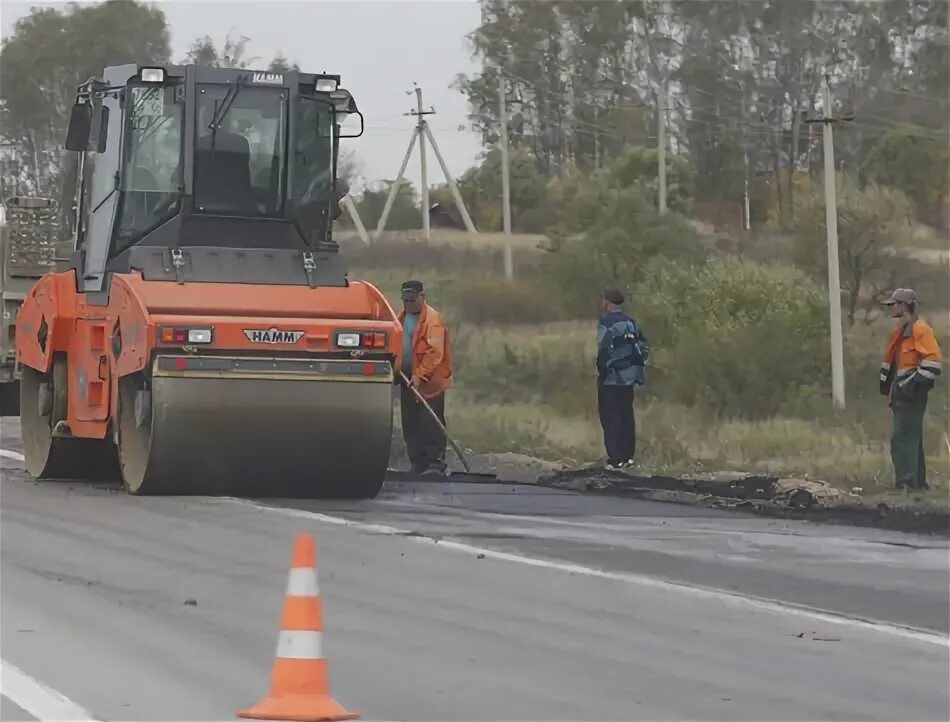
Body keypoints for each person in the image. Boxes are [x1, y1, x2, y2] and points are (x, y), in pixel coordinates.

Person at [879, 288, 943, 490]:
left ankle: (906, 485)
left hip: (910, 395)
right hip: (901, 395)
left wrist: (910, 385)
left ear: (904, 306)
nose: (891, 308)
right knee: (911, 438)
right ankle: (918, 484)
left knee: (902, 438)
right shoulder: (899, 333)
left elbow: (933, 363)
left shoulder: (920, 329)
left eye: (893, 304)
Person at [398, 279, 453, 475]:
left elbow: (434, 354)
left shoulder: (433, 320)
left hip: (430, 382)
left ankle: (435, 463)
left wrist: (420, 375)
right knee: (410, 421)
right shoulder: (402, 318)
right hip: (407, 379)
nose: (409, 304)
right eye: (406, 300)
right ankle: (417, 463)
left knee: (429, 421)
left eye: (413, 300)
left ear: (422, 297)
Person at [596, 288, 649, 470]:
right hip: (629, 377)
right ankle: (627, 457)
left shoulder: (606, 321)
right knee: (627, 415)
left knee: (611, 416)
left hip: (611, 377)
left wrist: (603, 370)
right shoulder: (630, 322)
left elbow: (603, 348)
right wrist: (635, 367)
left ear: (608, 301)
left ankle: (615, 458)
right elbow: (644, 346)